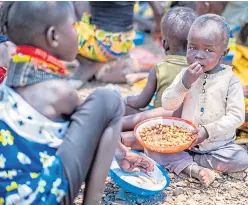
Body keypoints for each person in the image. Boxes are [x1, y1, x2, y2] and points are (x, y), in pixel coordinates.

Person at [0, 2, 153, 205]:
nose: (78, 33)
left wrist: (119, 152)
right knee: (109, 99)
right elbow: (93, 120)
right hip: (39, 198)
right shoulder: (59, 92)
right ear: (53, 36)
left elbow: (85, 124)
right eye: (74, 26)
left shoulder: (10, 79)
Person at [147, 14, 248, 186]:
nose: (198, 56)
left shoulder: (231, 80)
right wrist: (184, 84)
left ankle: (188, 164)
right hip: (184, 143)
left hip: (218, 146)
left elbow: (236, 116)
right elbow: (168, 104)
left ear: (223, 53)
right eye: (193, 48)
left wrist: (207, 131)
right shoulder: (184, 74)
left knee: (240, 159)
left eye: (208, 50)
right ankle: (192, 167)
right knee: (151, 148)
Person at [124, 7, 198, 115]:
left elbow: (141, 102)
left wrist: (125, 100)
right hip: (189, 123)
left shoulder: (159, 69)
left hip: (161, 124)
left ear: (165, 45)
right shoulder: (200, 69)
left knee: (124, 108)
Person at [72, 1, 164, 86]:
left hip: (102, 45)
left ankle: (90, 63)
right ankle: (99, 62)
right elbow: (159, 12)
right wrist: (158, 28)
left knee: (64, 12)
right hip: (124, 43)